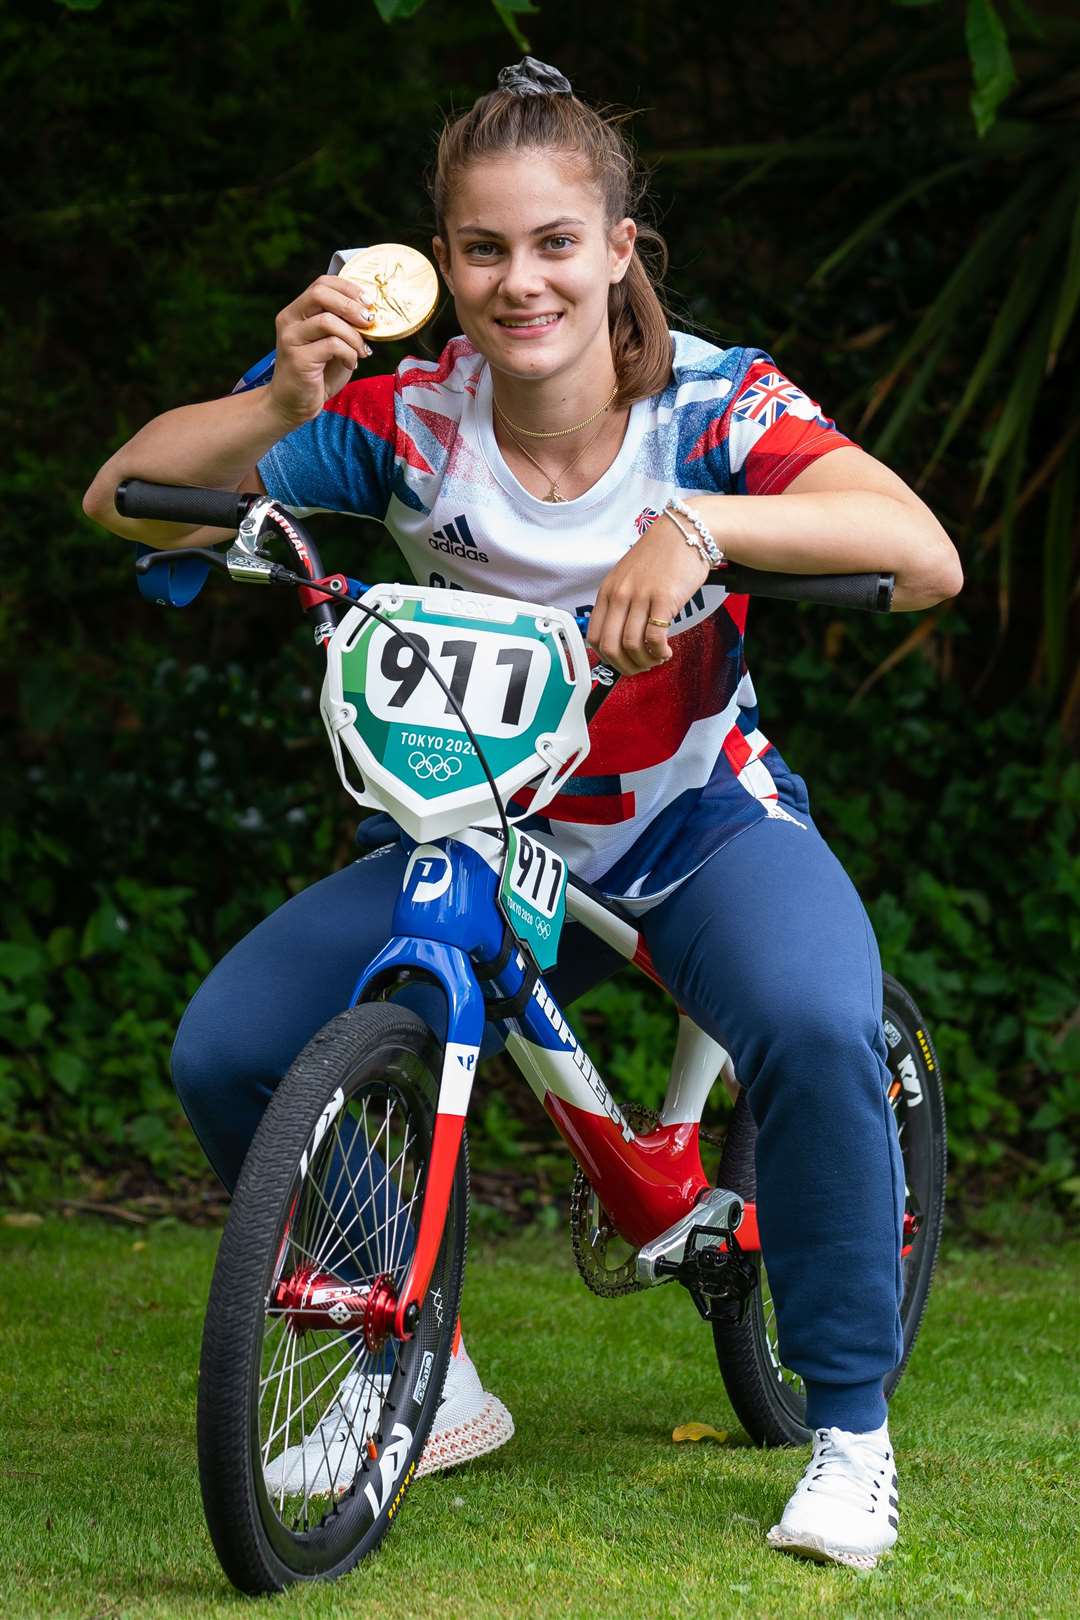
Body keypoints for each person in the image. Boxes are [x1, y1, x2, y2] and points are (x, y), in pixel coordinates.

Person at [84, 57, 962, 1569]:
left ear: (620, 246)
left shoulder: (711, 401)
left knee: (818, 1031)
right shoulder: (402, 415)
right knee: (229, 1050)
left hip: (697, 825)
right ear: (440, 261)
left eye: (557, 242)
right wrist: (283, 406)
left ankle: (851, 1433)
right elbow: (123, 497)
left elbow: (918, 548)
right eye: (484, 247)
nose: (520, 280)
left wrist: (703, 526)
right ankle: (425, 1377)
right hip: (469, 832)